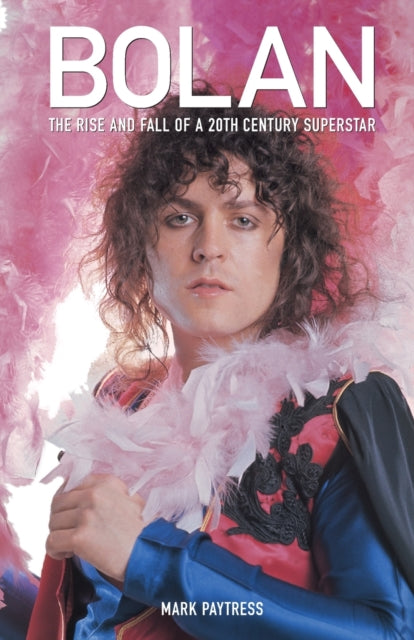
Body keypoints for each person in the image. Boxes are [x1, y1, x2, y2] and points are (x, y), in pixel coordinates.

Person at [27, 84, 414, 639]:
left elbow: (387, 631)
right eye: (179, 217)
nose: (209, 246)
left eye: (244, 219)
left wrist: (149, 562)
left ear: (290, 250)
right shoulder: (118, 402)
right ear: (141, 245)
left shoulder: (339, 413)